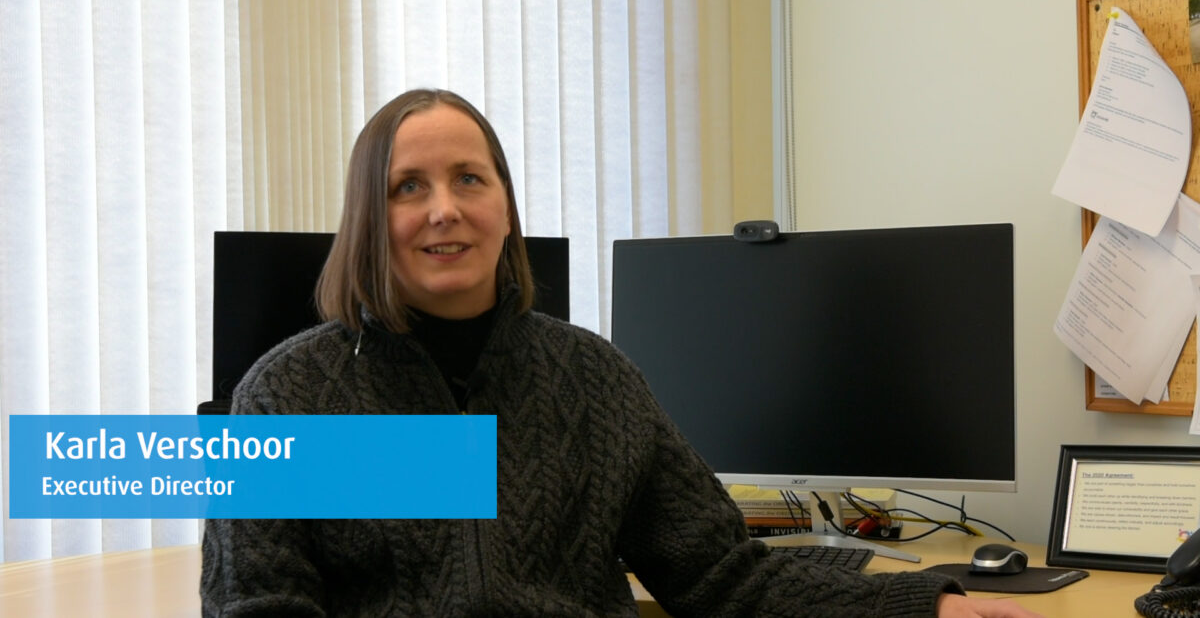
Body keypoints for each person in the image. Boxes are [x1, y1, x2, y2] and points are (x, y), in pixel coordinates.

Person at [201, 88, 1040, 617]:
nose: (443, 209)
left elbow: (724, 581)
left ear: (505, 206)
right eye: (406, 186)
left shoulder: (593, 379)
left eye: (470, 178)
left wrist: (925, 601)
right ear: (367, 218)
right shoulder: (287, 395)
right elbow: (258, 603)